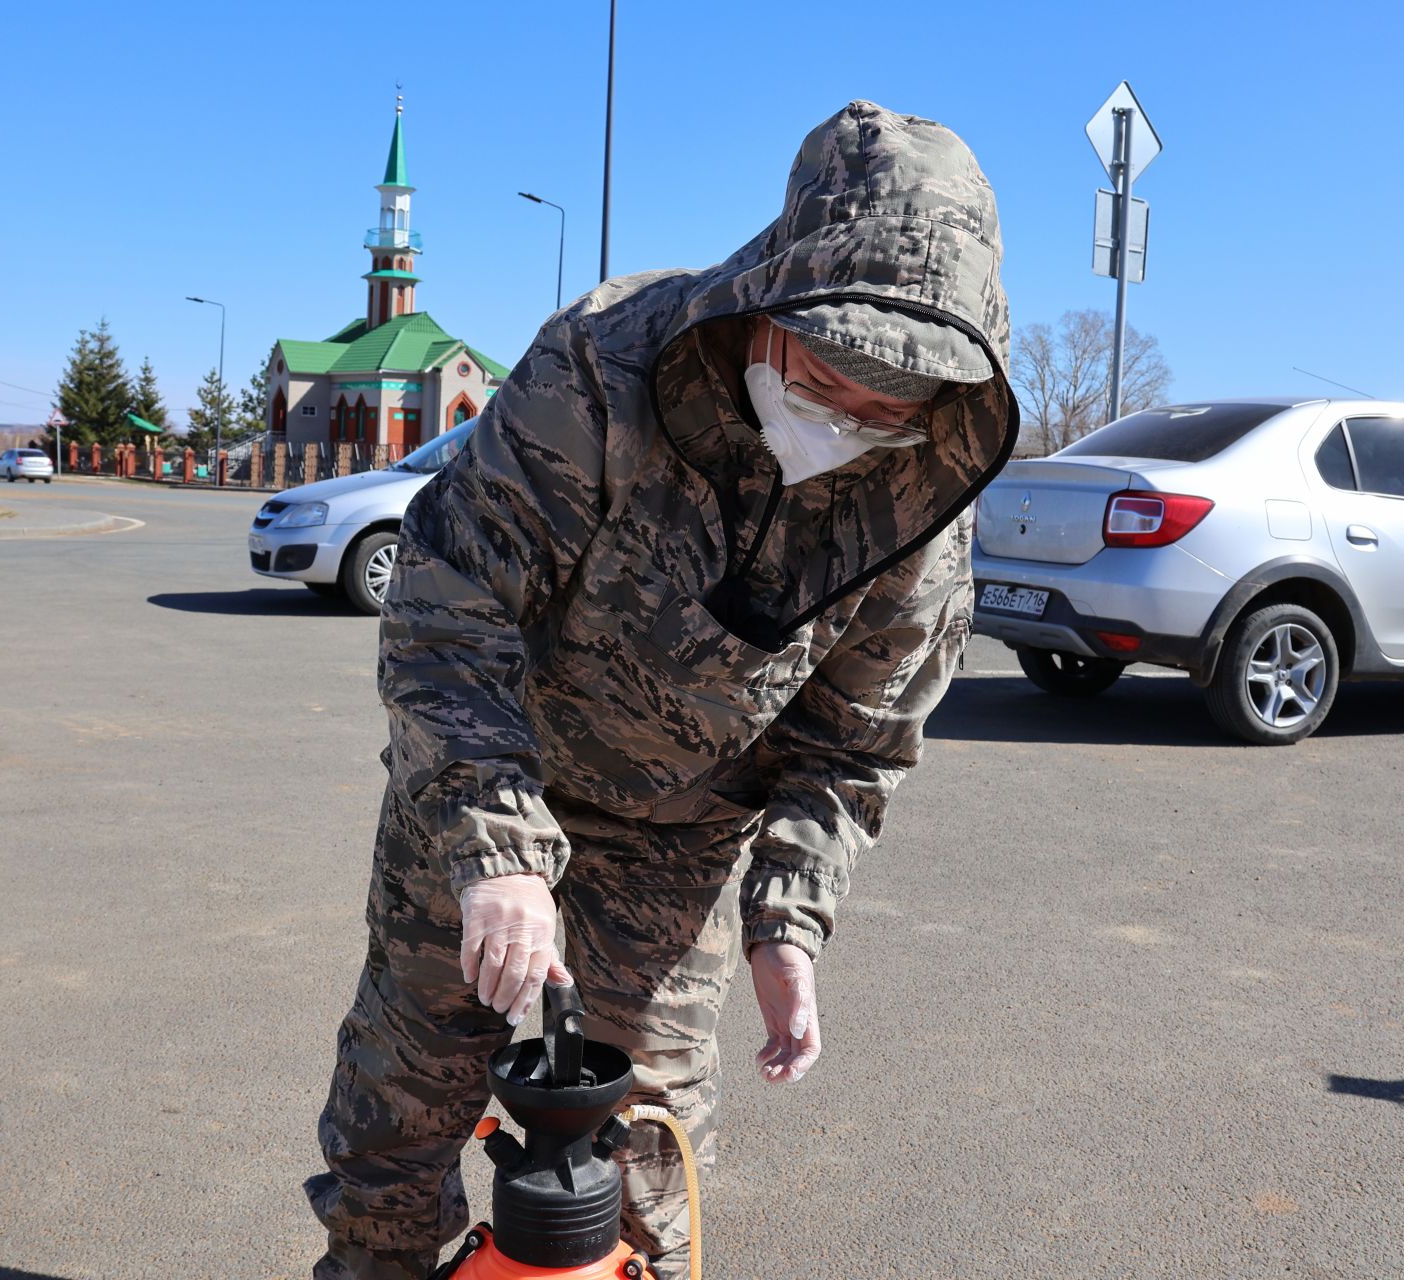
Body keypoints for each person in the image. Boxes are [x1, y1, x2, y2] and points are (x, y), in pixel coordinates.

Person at [307, 99, 1018, 1280]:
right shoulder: (605, 365)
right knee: (395, 1144)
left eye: (893, 406)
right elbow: (447, 596)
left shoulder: (923, 507)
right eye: (831, 370)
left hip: (679, 847)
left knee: (639, 1179)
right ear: (774, 295)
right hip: (493, 781)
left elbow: (854, 747)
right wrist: (496, 852)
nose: (848, 418)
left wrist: (788, 923)